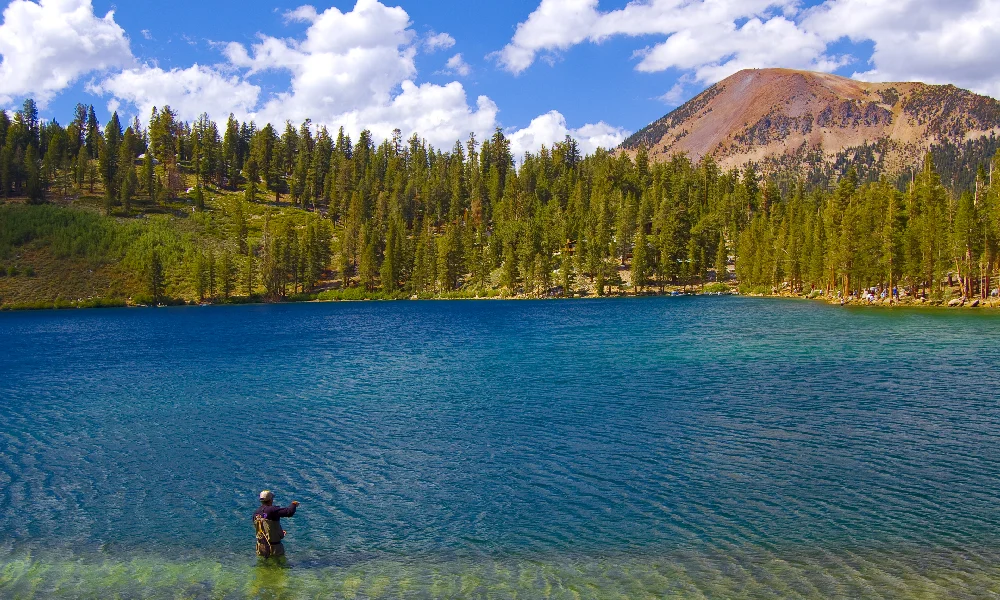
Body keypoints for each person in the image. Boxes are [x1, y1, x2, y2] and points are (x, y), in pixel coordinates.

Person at [253, 490, 299, 559]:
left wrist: (278, 532)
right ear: (270, 500)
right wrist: (294, 504)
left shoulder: (256, 513)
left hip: (261, 547)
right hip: (274, 547)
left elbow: (263, 528)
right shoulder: (273, 510)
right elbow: (289, 512)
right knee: (280, 566)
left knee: (263, 565)